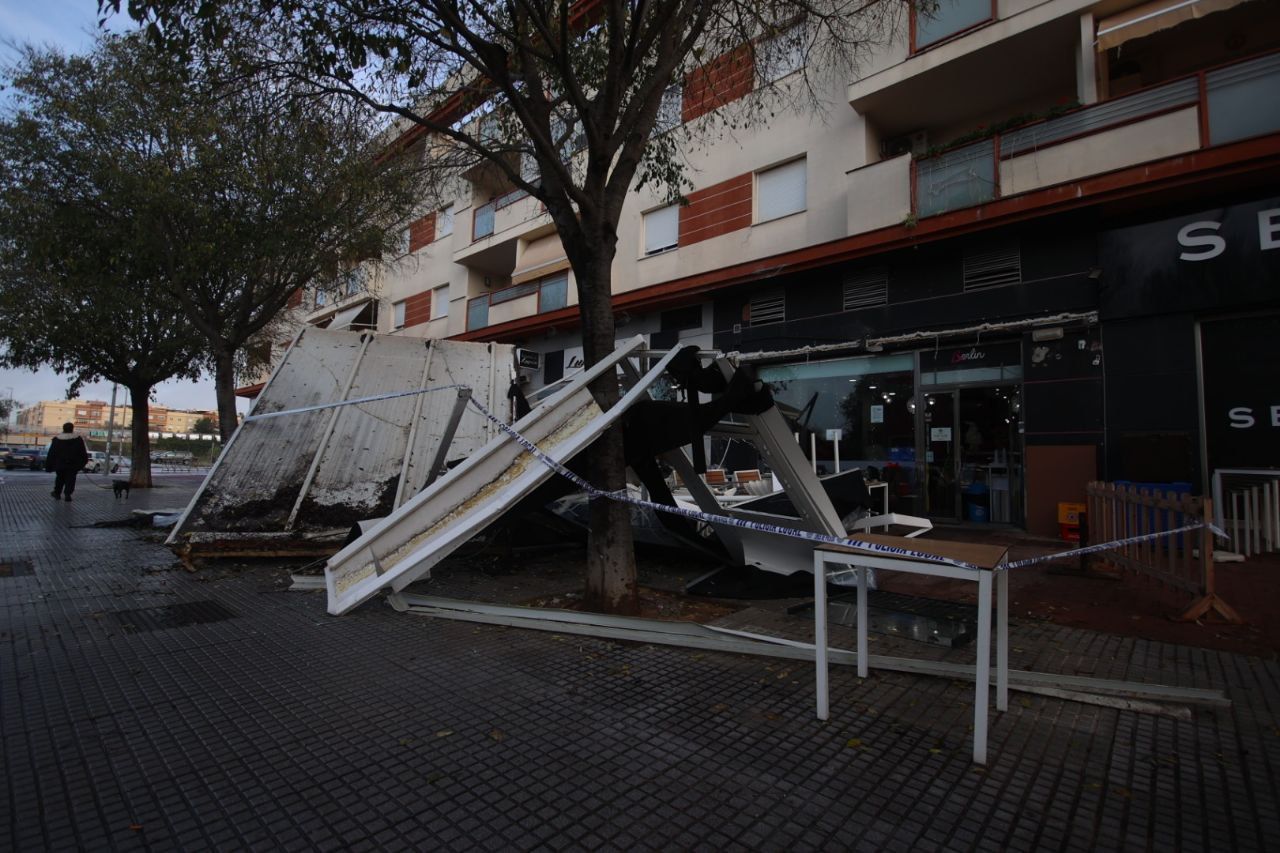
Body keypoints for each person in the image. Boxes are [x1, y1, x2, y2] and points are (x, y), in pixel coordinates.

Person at [45, 422, 89, 502]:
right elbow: (82, 452)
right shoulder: (78, 439)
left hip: (60, 464)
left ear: (63, 429)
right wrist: (82, 463)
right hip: (73, 464)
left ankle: (57, 493)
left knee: (59, 479)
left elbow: (52, 453)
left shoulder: (57, 439)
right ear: (72, 429)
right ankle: (68, 494)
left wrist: (49, 465)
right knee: (71, 479)